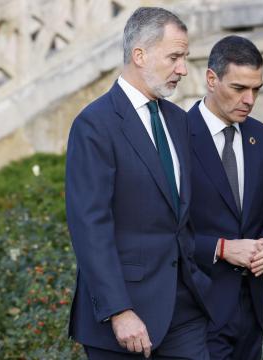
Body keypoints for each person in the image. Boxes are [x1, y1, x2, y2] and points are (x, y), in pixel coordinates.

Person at [65, 7, 211, 359]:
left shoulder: (178, 121)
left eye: (185, 58)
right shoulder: (94, 125)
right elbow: (90, 226)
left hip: (185, 311)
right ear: (139, 54)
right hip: (124, 320)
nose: (182, 69)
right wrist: (119, 311)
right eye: (174, 57)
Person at [189, 35, 263, 360]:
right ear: (211, 79)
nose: (249, 99)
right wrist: (221, 248)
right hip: (195, 310)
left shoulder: (262, 136)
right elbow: (160, 229)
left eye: (256, 89)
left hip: (251, 311)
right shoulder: (176, 136)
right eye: (239, 88)